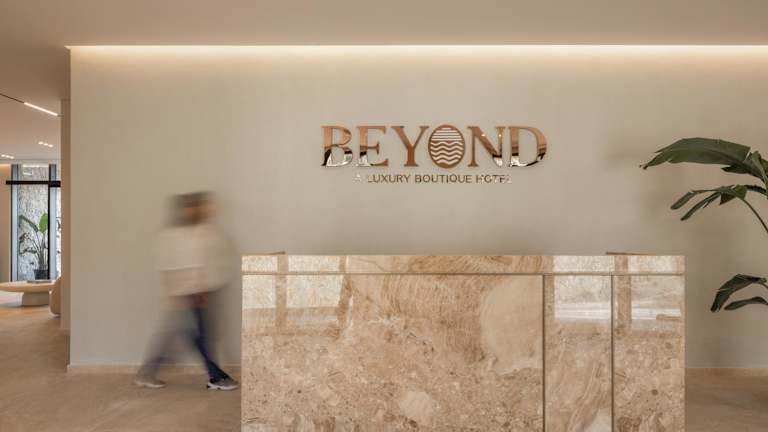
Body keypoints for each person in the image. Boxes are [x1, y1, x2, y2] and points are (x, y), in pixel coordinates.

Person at [133, 193, 238, 391]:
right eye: (193, 207)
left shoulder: (201, 231)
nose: (198, 210)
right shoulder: (173, 236)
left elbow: (207, 262)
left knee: (188, 335)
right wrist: (183, 292)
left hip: (197, 293)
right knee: (197, 336)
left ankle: (148, 372)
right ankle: (216, 376)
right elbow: (172, 265)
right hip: (187, 294)